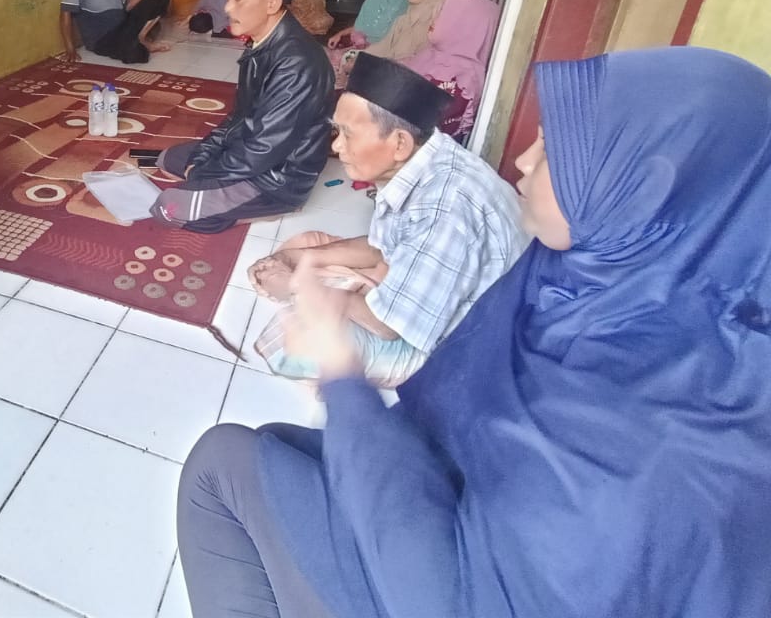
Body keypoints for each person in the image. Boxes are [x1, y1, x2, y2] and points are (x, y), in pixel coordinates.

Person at [178, 46, 771, 618]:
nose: (523, 161)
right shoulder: (592, 275)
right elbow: (386, 252)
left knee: (231, 444)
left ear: (641, 189)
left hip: (445, 580)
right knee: (284, 428)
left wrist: (340, 368)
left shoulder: (668, 440)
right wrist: (317, 259)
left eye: (553, 151)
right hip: (463, 500)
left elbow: (444, 594)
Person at [247, 53, 526, 386]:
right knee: (306, 247)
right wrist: (298, 258)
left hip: (475, 342)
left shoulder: (444, 210)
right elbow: (384, 246)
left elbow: (388, 325)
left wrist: (301, 289)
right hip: (438, 283)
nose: (336, 146)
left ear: (399, 143)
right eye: (337, 131)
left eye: (348, 134)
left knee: (297, 340)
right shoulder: (427, 158)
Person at [150, 0, 334, 233]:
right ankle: (211, 187)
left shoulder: (298, 62)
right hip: (250, 150)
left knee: (169, 208)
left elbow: (264, 149)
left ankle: (274, 207)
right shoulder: (260, 42)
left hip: (277, 178)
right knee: (168, 158)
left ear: (271, 3)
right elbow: (238, 117)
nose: (227, 8)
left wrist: (202, 172)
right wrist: (202, 158)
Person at [404, 0, 501, 140]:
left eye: (443, 14)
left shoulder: (462, 79)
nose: (433, 19)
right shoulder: (432, 55)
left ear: (465, 25)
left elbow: (422, 130)